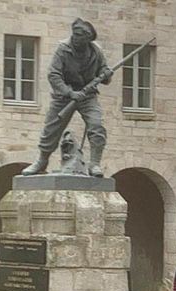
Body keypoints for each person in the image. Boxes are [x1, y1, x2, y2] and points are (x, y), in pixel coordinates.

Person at [22, 19, 112, 177]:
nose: (75, 38)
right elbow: (54, 75)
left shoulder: (96, 51)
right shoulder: (63, 49)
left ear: (88, 38)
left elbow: (103, 73)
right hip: (63, 96)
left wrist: (106, 74)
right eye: (74, 35)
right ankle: (42, 161)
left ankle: (95, 164)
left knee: (97, 126)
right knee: (51, 129)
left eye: (79, 36)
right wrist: (70, 93)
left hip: (87, 95)